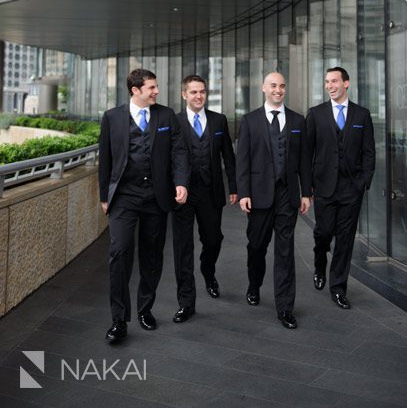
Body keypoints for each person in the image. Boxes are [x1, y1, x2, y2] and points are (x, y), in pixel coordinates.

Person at [99, 68, 190, 343]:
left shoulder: (166, 116)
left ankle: (144, 309)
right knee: (120, 252)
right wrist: (104, 196)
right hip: (124, 197)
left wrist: (181, 182)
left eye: (156, 87)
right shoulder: (112, 117)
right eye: (151, 87)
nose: (157, 91)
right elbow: (105, 159)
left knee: (152, 256)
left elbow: (179, 151)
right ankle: (118, 319)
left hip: (156, 197)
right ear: (135, 90)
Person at [236, 72, 311, 329]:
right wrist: (243, 192)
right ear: (263, 88)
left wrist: (306, 193)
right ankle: (254, 283)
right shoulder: (249, 121)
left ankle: (285, 308)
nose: (278, 90)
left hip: (286, 195)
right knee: (256, 246)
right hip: (258, 195)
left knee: (285, 251)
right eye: (273, 86)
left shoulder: (298, 120)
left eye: (282, 86)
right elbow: (242, 160)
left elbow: (304, 161)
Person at [306, 66, 375, 310]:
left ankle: (338, 288)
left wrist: (363, 182)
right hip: (324, 186)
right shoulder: (315, 114)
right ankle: (319, 262)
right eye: (327, 82)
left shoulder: (362, 115)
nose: (330, 86)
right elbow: (307, 153)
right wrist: (307, 188)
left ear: (346, 83)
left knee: (345, 240)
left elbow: (369, 152)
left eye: (334, 81)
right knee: (324, 233)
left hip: (351, 189)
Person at [171, 75, 237, 323]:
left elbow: (228, 156)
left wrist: (235, 186)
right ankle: (186, 302)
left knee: (213, 239)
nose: (199, 96)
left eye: (202, 92)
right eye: (194, 92)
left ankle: (208, 269)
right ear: (184, 95)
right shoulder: (174, 122)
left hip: (211, 192)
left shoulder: (218, 120)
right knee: (182, 247)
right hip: (183, 195)